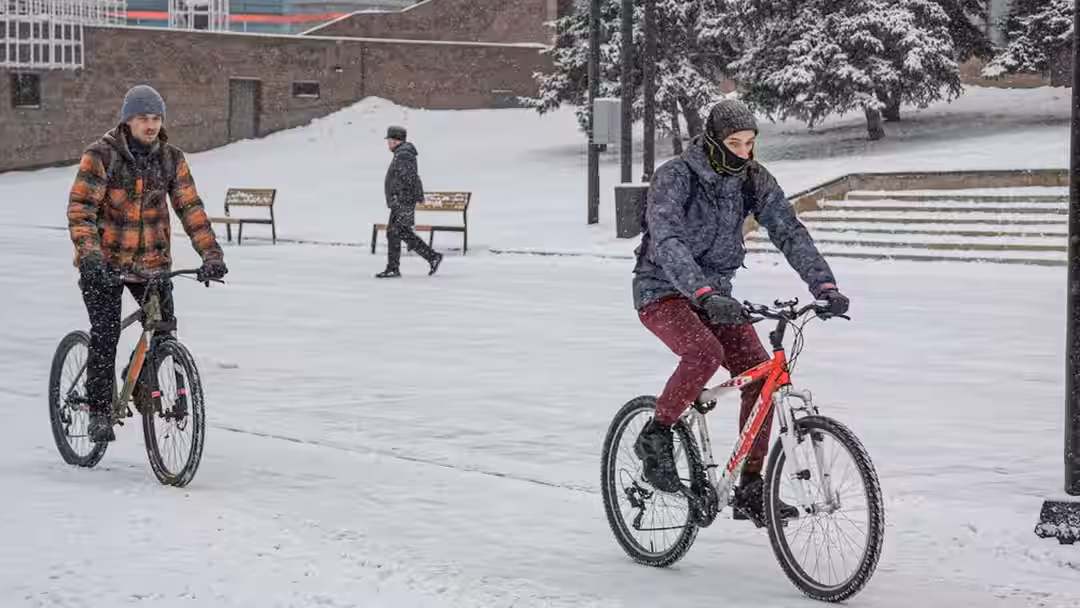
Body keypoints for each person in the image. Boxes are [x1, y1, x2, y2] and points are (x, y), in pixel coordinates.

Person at [630, 98, 849, 524]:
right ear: (713, 139)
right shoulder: (676, 177)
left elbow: (788, 229)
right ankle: (656, 435)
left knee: (759, 373)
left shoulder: (752, 180)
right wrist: (702, 290)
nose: (743, 152)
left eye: (749, 143)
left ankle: (751, 486)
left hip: (717, 296)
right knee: (704, 353)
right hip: (661, 289)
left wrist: (823, 284)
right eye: (734, 142)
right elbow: (667, 240)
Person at [67, 84, 228, 443]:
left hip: (152, 265)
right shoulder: (101, 156)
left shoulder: (171, 159)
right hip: (104, 265)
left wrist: (211, 255)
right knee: (106, 334)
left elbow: (191, 208)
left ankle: (139, 378)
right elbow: (81, 211)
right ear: (128, 121)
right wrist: (90, 257)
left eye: (156, 118)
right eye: (143, 119)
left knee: (164, 331)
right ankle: (97, 412)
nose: (151, 125)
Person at [376, 125, 443, 278]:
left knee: (398, 232)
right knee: (397, 233)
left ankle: (430, 257)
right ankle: (429, 257)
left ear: (395, 140)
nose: (388, 143)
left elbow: (409, 178)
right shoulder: (402, 153)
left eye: (390, 140)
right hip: (401, 200)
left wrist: (401, 196)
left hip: (402, 200)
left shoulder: (404, 154)